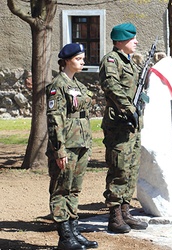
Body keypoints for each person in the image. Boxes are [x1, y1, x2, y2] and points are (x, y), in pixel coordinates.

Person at [46, 43, 98, 249]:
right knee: (61, 189)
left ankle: (74, 230)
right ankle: (64, 236)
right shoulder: (57, 86)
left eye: (83, 58)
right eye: (78, 59)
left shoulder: (77, 85)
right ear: (67, 61)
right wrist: (59, 149)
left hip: (81, 143)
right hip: (67, 145)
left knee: (74, 189)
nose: (83, 61)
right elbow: (54, 119)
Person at [99, 22, 148, 233]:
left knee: (131, 168)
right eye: (132, 38)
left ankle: (126, 211)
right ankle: (115, 215)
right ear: (120, 41)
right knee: (119, 168)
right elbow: (112, 87)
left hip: (133, 124)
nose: (136, 42)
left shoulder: (129, 63)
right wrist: (129, 108)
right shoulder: (111, 61)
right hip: (119, 123)